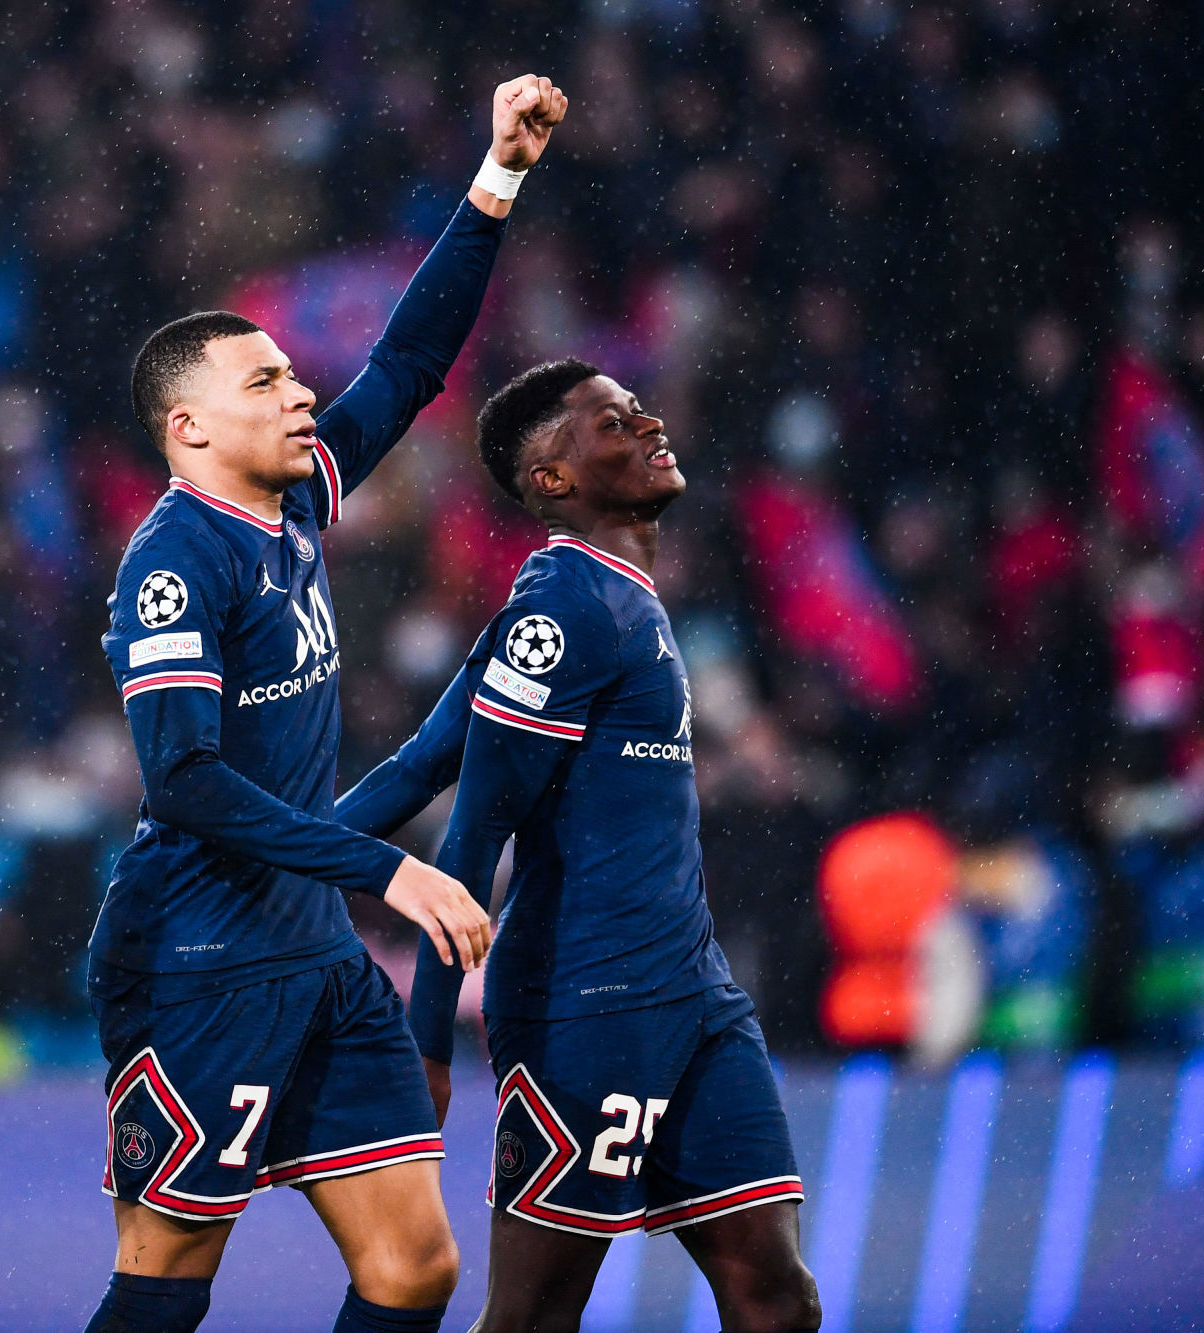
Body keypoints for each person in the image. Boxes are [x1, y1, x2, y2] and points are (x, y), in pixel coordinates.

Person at [86, 76, 568, 1333]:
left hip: (312, 950)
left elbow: (408, 364)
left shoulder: (295, 500)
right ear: (189, 428)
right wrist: (387, 869)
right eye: (265, 384)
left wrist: (495, 180)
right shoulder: (173, 562)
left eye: (294, 375)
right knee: (166, 1282)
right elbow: (184, 779)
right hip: (197, 956)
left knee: (413, 1268)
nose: (301, 394)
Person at [338, 361, 821, 1333]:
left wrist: (270, 857)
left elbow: (419, 765)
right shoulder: (564, 613)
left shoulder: (608, 599)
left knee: (775, 1298)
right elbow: (471, 831)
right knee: (532, 1317)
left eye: (636, 408)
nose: (646, 422)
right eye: (610, 422)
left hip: (694, 993)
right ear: (552, 479)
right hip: (587, 1003)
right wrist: (425, 1043)